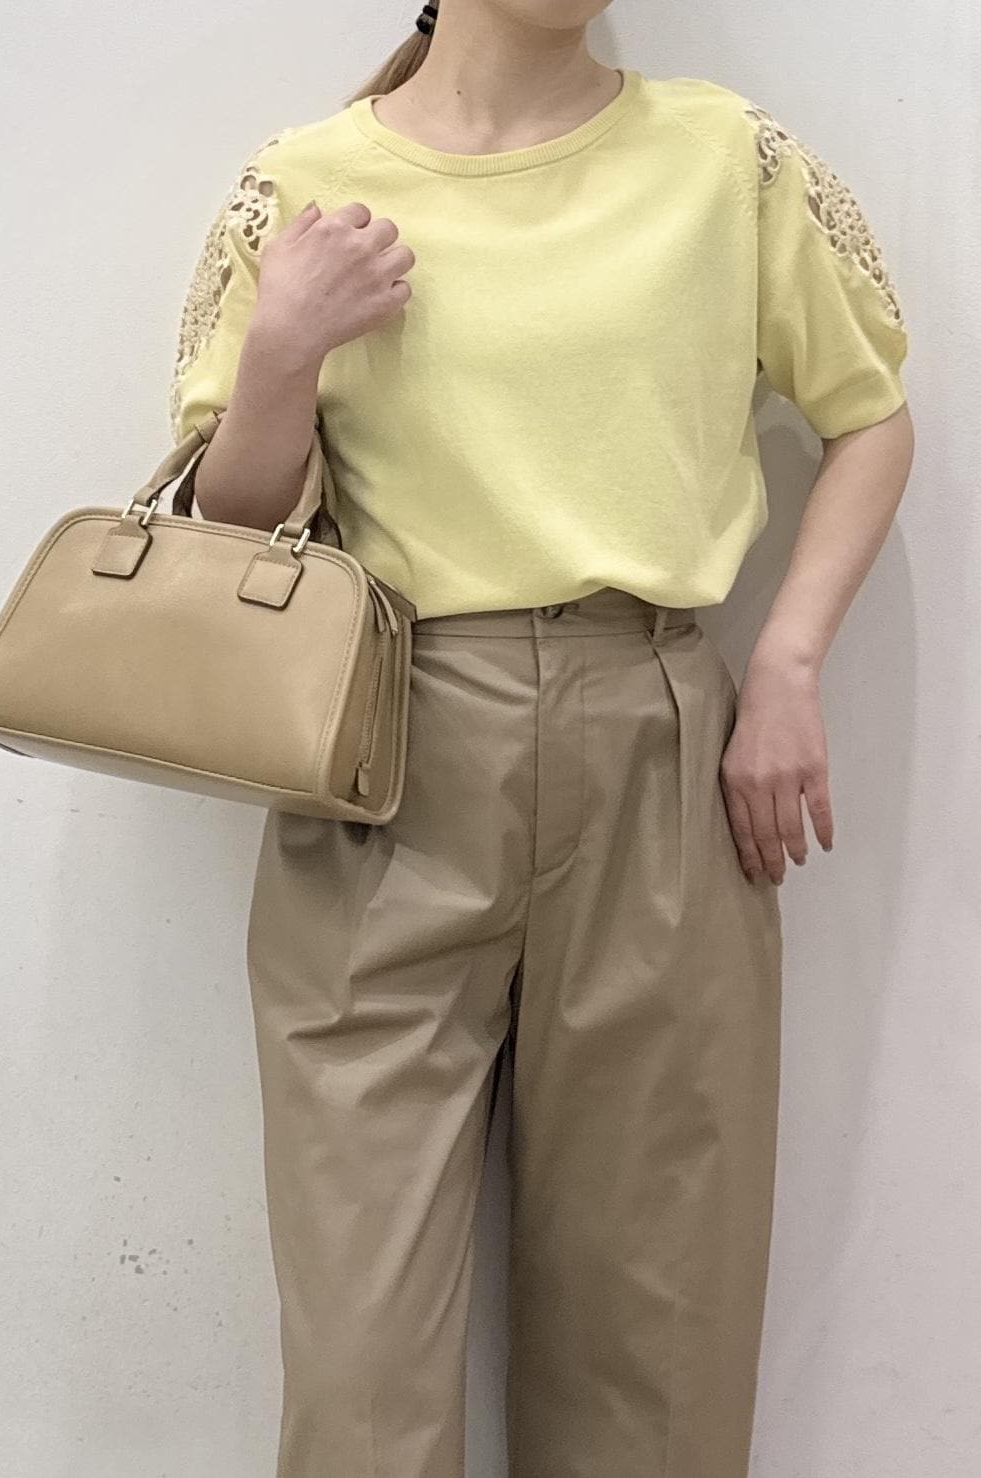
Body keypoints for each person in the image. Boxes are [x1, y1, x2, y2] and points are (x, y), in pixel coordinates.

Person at [167, 2, 914, 1474]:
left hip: (660, 747)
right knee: (361, 1360)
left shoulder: (726, 161)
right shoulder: (302, 183)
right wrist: (284, 351)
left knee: (660, 1327)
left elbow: (872, 415)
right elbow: (231, 529)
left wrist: (788, 661)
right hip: (382, 759)